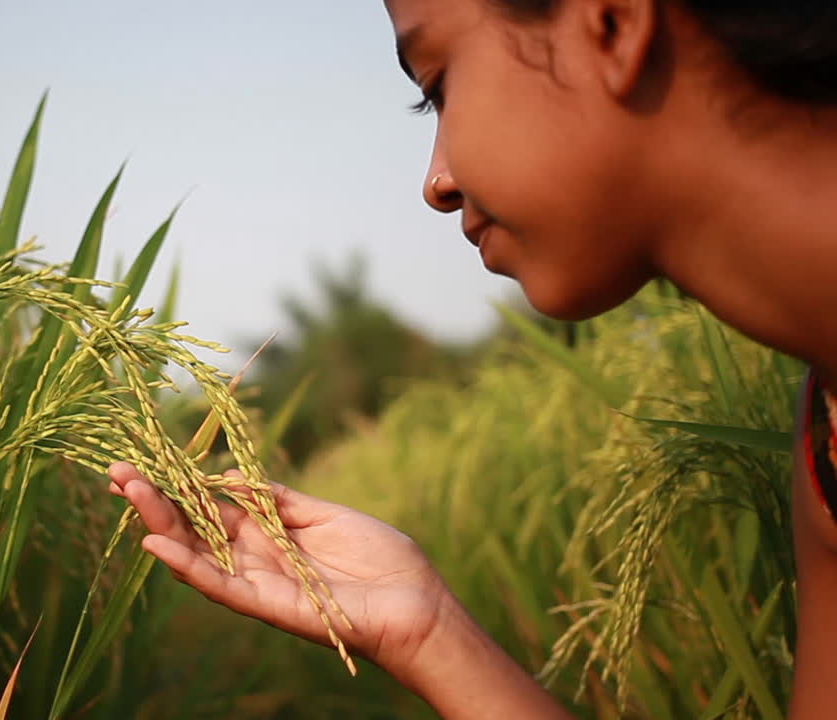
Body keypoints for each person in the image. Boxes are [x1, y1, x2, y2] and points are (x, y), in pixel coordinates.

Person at [107, 0, 837, 717]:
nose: (436, 183)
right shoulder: (824, 434)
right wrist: (427, 631)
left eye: (436, 89)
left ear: (611, 22)